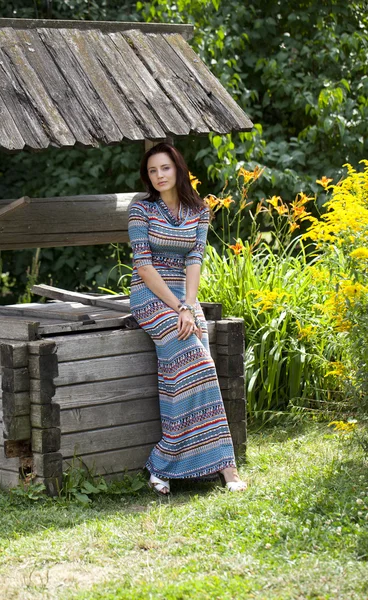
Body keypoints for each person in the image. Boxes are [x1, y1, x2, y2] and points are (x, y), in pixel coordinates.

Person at [128, 142, 247, 496]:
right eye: (152, 171)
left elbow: (195, 258)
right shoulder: (141, 210)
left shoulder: (199, 210)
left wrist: (189, 305)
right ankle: (221, 467)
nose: (159, 175)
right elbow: (144, 266)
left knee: (190, 370)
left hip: (184, 296)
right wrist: (178, 307)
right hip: (150, 296)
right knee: (197, 362)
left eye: (164, 168)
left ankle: (186, 465)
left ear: (178, 169)